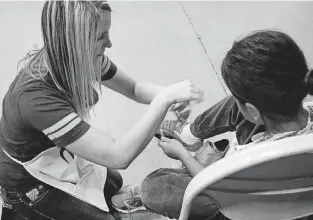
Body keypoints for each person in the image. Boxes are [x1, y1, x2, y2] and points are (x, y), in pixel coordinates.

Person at [0, 1, 203, 219]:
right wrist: (163, 100)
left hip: (54, 153)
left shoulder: (80, 59)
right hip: (27, 181)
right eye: (100, 37)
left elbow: (134, 89)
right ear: (73, 42)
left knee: (113, 183)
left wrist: (170, 93)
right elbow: (119, 156)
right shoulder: (36, 100)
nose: (110, 43)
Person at [112, 30, 313, 220]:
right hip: (297, 186)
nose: (235, 102)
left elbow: (214, 185)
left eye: (240, 102)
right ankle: (189, 134)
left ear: (253, 112)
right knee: (247, 96)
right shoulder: (304, 99)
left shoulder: (250, 161)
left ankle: (192, 148)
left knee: (153, 186)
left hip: (247, 206)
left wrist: (181, 153)